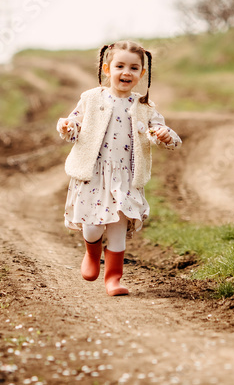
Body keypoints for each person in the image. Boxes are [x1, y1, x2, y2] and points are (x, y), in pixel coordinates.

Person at [56, 40, 181, 296]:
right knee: (92, 226)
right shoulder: (91, 98)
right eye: (120, 66)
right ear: (107, 68)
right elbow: (75, 124)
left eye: (134, 68)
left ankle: (113, 278)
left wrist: (164, 135)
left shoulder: (144, 106)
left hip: (125, 177)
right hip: (94, 174)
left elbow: (161, 133)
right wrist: (68, 126)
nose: (127, 72)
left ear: (142, 74)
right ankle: (92, 252)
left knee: (117, 230)